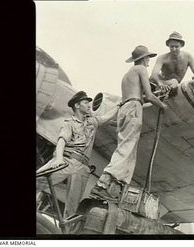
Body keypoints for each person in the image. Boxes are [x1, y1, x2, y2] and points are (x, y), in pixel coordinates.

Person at [91, 45, 168, 201]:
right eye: (148, 58)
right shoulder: (140, 70)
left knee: (128, 147)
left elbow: (138, 99)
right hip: (133, 108)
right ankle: (105, 181)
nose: (148, 61)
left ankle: (118, 187)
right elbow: (149, 96)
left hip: (126, 108)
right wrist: (163, 105)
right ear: (143, 58)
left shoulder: (127, 75)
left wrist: (153, 101)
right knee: (127, 147)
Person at [36, 91, 118, 220]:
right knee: (38, 180)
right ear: (77, 105)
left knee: (72, 210)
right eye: (86, 102)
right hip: (66, 160)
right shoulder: (69, 123)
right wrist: (58, 160)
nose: (89, 105)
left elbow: (106, 117)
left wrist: (119, 105)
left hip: (82, 168)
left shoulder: (92, 122)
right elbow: (61, 141)